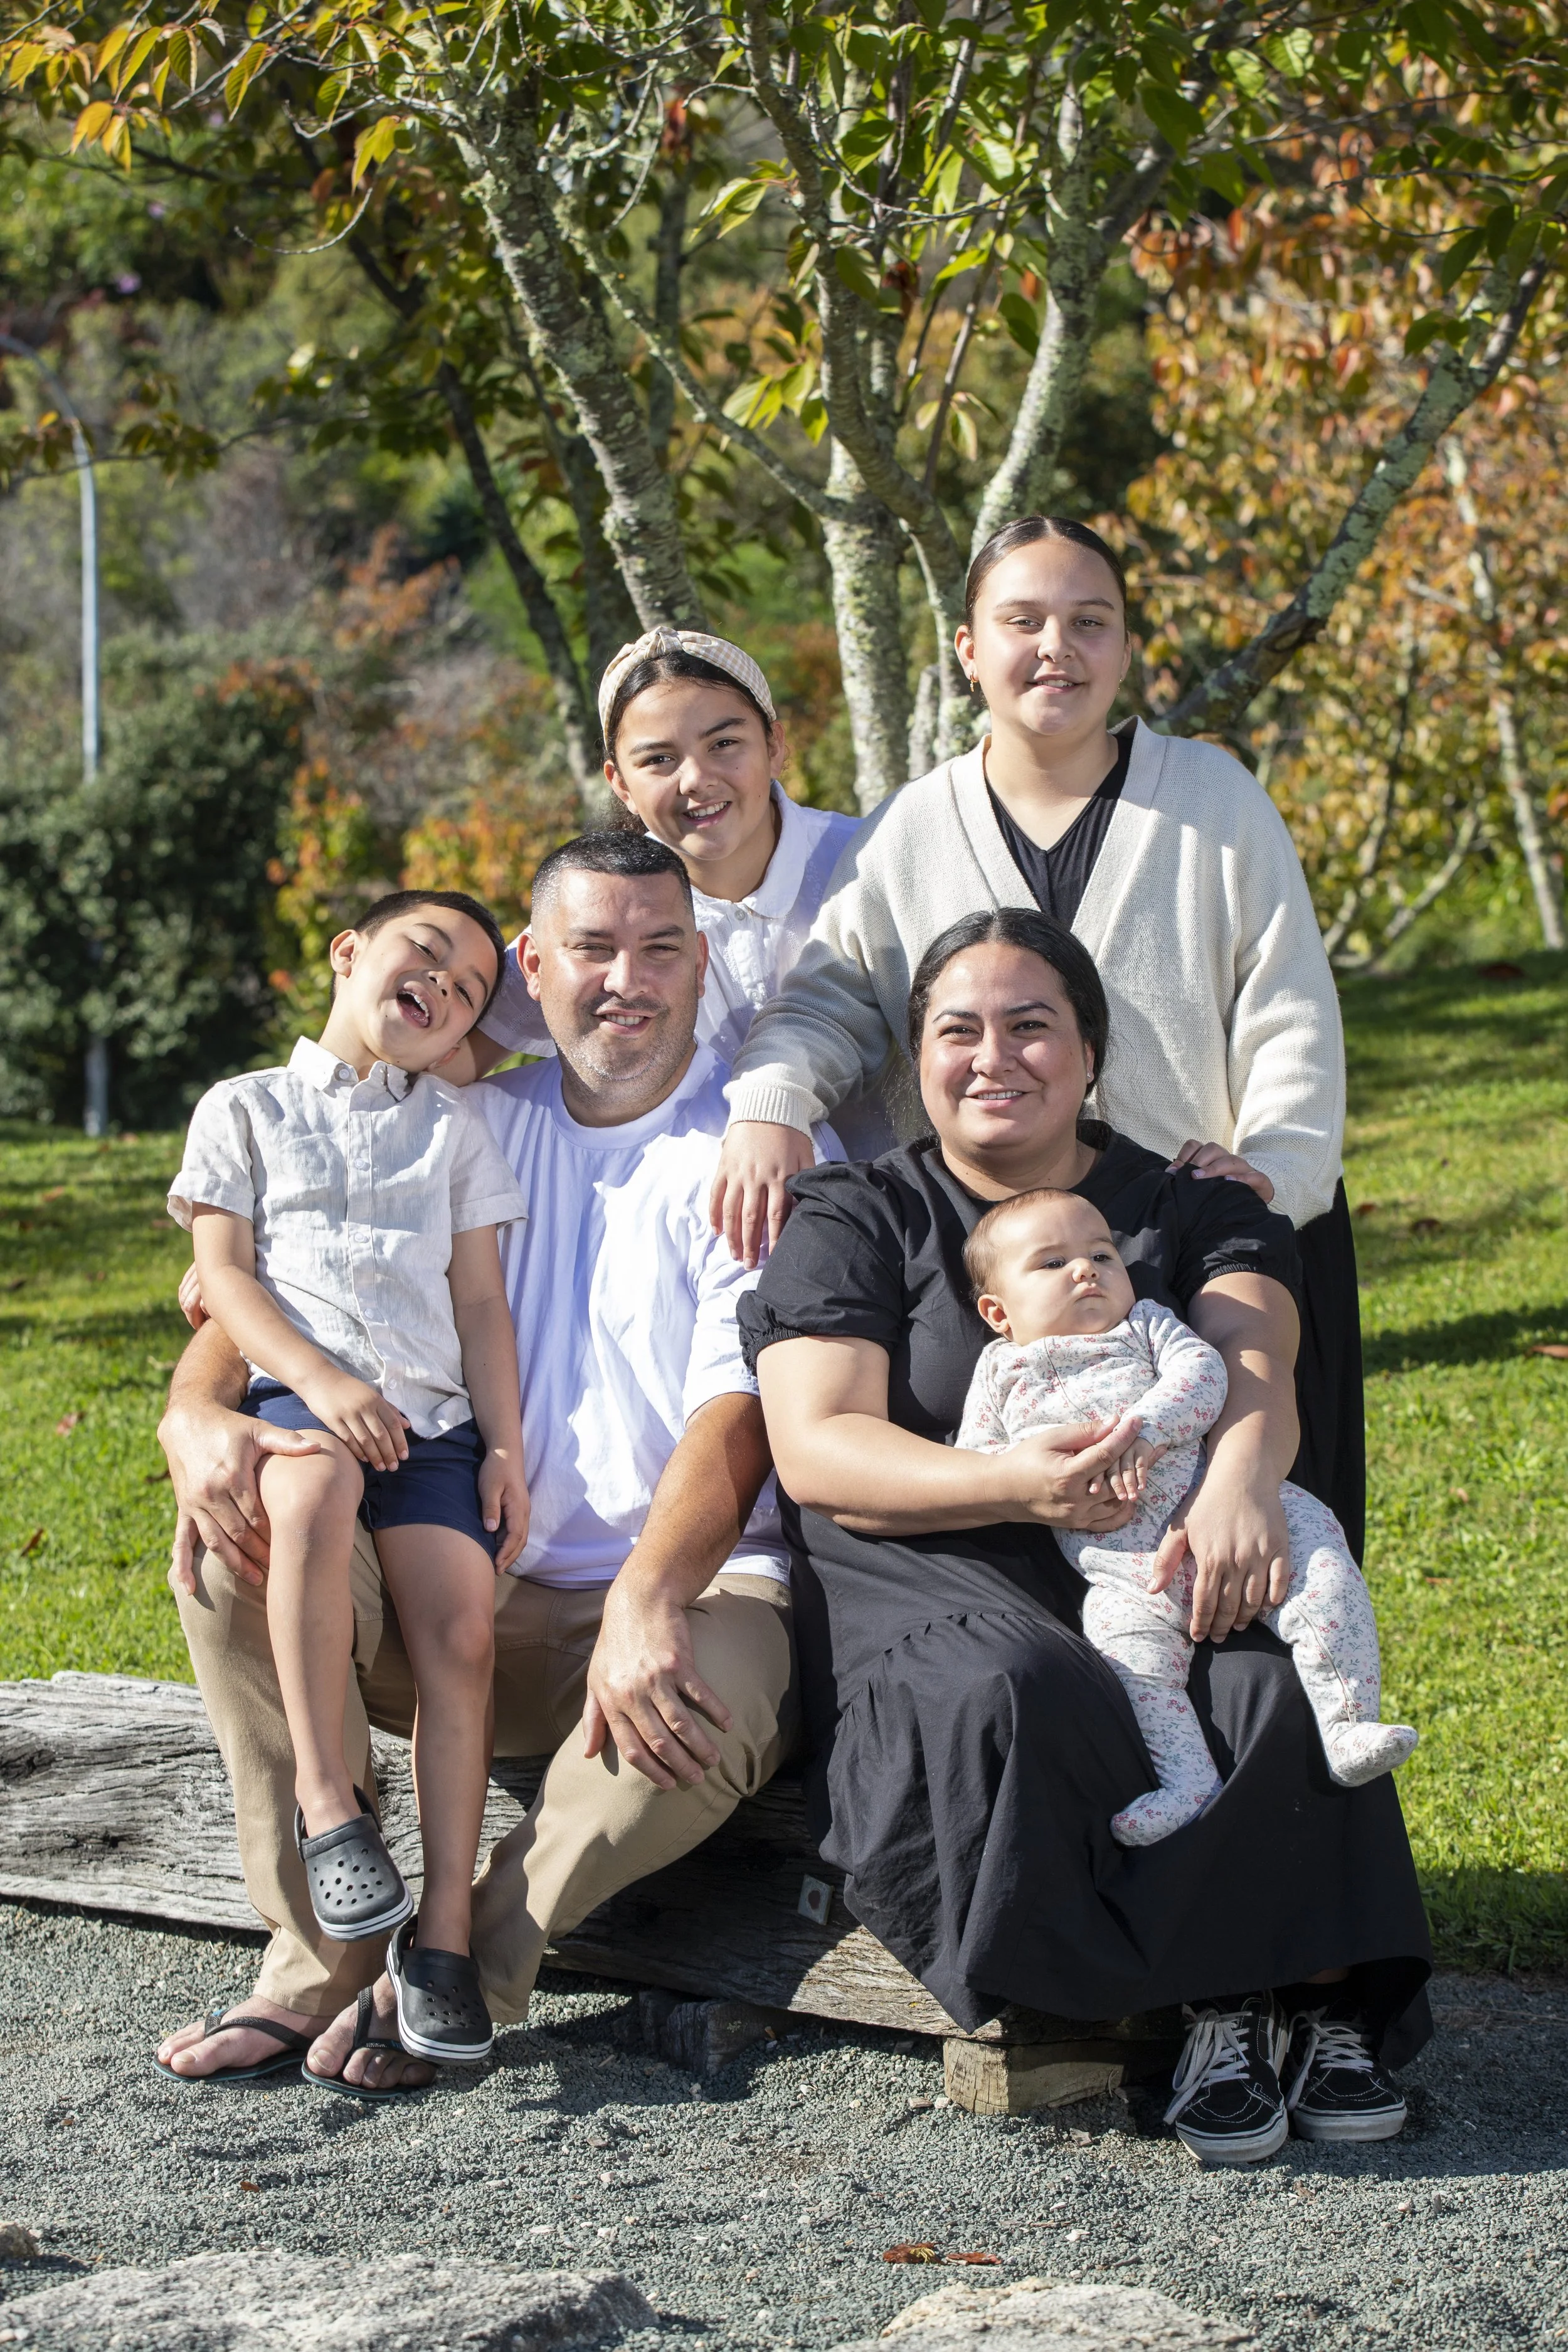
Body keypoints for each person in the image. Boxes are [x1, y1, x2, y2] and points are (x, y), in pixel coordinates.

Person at [738, 908, 1431, 2167]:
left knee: (1265, 1688)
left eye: (1029, 1025)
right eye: (957, 1029)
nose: (991, 1055)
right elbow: (818, 1446)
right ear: (916, 1055)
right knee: (1028, 1688)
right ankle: (1151, 2002)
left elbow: (1253, 1354)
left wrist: (1234, 1486)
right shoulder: (857, 1214)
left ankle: (1300, 2005)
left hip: (1149, 1541)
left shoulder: (1181, 1200)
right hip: (931, 1565)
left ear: (1089, 1053)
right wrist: (1016, 1485)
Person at [155, 831, 829, 2097]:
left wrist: (646, 1596)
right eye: (590, 948)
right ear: (535, 963)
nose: (624, 978)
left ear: (699, 966)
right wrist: (194, 1414)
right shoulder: (450, 1119)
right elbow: (249, 1287)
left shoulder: (756, 1151)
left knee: (702, 1702)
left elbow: (738, 1412)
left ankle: (460, 1962)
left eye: (658, 949)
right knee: (233, 1535)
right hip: (448, 1574)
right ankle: (314, 1953)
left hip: (679, 1587)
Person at [714, 516, 1367, 1554]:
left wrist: (1270, 1180)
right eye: (1023, 620)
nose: (1056, 647)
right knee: (1039, 1571)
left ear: (1124, 646)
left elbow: (1291, 1017)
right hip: (1010, 1271)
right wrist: (771, 1099)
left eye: (1089, 621)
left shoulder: (1216, 803)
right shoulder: (908, 832)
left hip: (1199, 1246)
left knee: (1242, 1573)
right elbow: (826, 1003)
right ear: (969, 650)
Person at [166, 889, 529, 2065]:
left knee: (461, 1626)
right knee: (308, 1489)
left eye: (473, 986)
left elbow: (480, 1302)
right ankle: (332, 1813)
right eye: (425, 952)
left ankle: (443, 1937)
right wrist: (317, 1384)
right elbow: (223, 1276)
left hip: (431, 1426)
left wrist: (506, 1450)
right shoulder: (248, 1109)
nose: (446, 986)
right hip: (299, 1408)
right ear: (347, 950)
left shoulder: (454, 1128)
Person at [955, 1188, 1417, 1848]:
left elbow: (1203, 1374)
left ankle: (1347, 1725)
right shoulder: (999, 1371)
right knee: (1132, 1664)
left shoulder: (1144, 1325)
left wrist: (1143, 1431)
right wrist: (1026, 1472)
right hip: (1126, 1576)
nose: (1085, 1270)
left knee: (1321, 1573)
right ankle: (1184, 1782)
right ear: (999, 1313)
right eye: (1052, 1264)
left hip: (1226, 1512)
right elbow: (978, 1460)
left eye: (1101, 1254)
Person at [455, 627, 893, 1157]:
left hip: (915, 1203)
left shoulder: (872, 861)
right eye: (659, 760)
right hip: (714, 1222)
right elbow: (451, 1056)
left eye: (724, 744)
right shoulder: (601, 919)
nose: (696, 779)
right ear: (620, 784)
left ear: (775, 745)